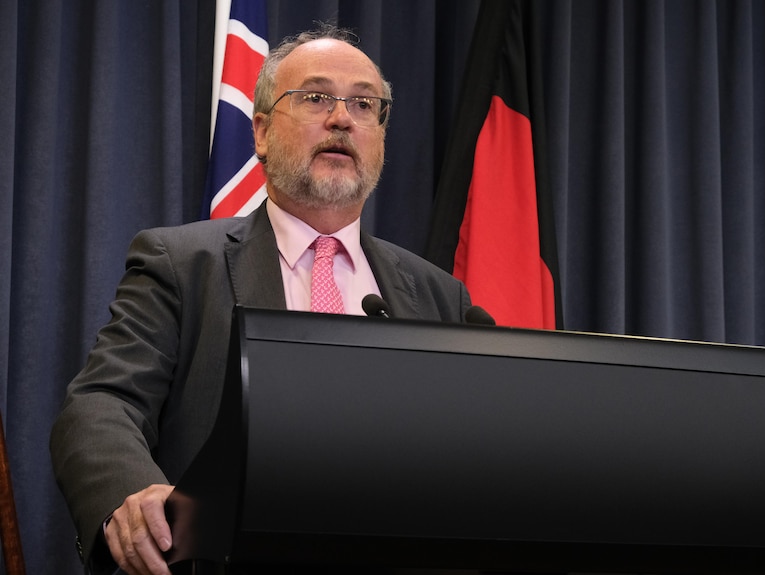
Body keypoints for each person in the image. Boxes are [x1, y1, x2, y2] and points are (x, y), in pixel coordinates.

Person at [50, 25, 472, 575]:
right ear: (262, 132)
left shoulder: (440, 295)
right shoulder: (181, 265)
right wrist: (134, 494)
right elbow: (102, 403)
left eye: (364, 104)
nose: (342, 118)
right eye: (317, 97)